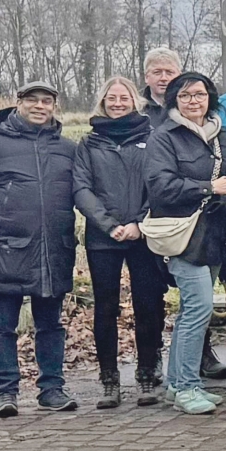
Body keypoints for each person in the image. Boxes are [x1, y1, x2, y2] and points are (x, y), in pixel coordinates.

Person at [0, 80, 79, 416]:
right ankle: (5, 391)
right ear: (18, 103)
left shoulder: (67, 149)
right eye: (33, 101)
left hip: (53, 248)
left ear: (54, 107)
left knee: (51, 324)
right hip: (6, 250)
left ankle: (52, 388)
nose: (40, 107)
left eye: (47, 101)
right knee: (2, 323)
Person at [144, 71, 226, 415]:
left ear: (210, 98)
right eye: (185, 96)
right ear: (174, 100)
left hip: (216, 236)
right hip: (184, 237)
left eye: (199, 95)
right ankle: (188, 386)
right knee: (199, 309)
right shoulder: (163, 138)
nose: (193, 101)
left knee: (191, 310)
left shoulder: (223, 137)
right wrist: (208, 187)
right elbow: (159, 186)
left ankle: (176, 384)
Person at [73, 76, 164, 409]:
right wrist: (110, 225)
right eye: (111, 98)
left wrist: (140, 223)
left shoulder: (152, 139)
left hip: (143, 235)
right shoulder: (88, 144)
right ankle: (109, 380)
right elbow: (81, 188)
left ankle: (146, 374)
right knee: (106, 308)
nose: (117, 102)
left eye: (123, 97)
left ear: (134, 101)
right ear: (103, 102)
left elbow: (157, 183)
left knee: (148, 305)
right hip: (103, 238)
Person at [140, 47, 182, 122]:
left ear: (179, 76)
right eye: (157, 72)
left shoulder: (191, 108)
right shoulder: (136, 111)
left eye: (169, 73)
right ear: (146, 77)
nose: (163, 78)